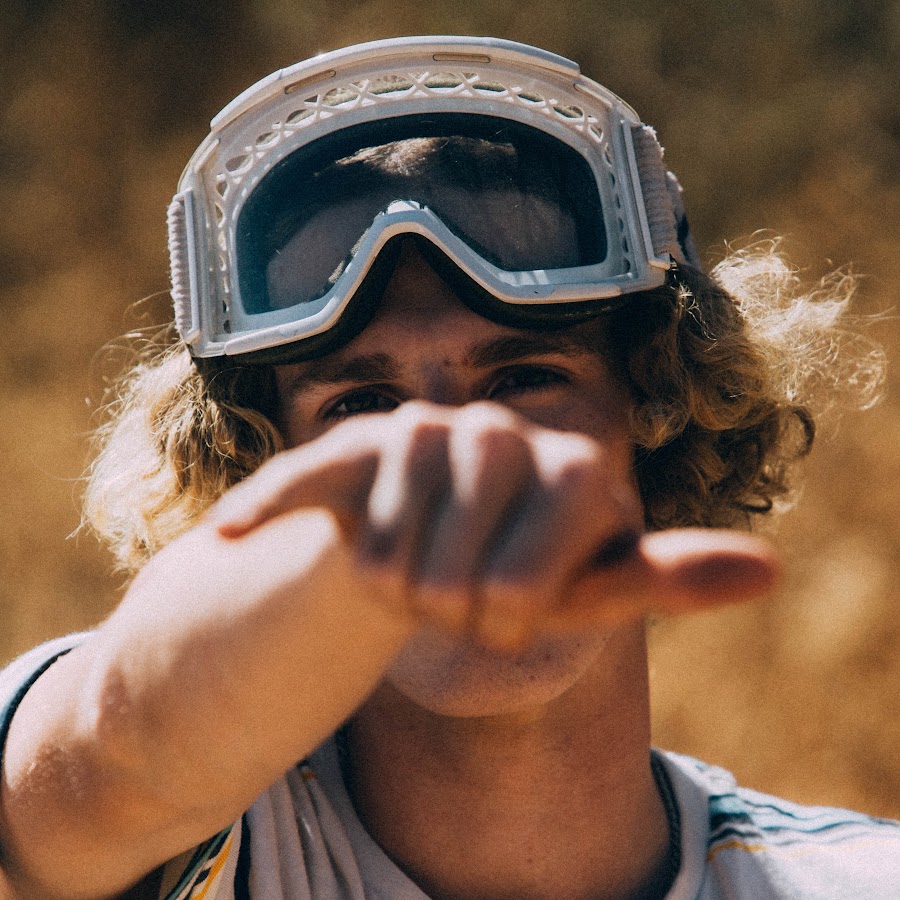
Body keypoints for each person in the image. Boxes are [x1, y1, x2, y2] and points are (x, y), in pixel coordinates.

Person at [0, 35, 894, 900]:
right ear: (256, 467)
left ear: (658, 415)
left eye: (523, 379)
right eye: (362, 405)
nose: (455, 458)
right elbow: (105, 760)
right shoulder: (181, 860)